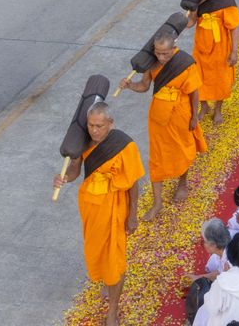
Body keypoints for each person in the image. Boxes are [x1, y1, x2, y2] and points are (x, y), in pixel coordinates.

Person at [52, 103, 144, 326]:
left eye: (99, 126)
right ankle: (107, 280)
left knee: (115, 258)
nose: (94, 130)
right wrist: (64, 178)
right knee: (97, 250)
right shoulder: (84, 141)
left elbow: (133, 183)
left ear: (110, 124)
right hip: (91, 207)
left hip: (115, 208)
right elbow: (75, 169)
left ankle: (113, 310)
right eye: (91, 125)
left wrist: (132, 215)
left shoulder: (124, 145)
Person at [119, 32, 206, 220]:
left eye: (165, 53)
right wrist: (129, 85)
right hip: (158, 118)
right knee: (157, 157)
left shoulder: (184, 62)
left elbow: (194, 92)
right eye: (158, 53)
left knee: (181, 150)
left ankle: (182, 183)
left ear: (173, 48)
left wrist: (194, 116)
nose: (162, 57)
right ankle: (157, 202)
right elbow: (144, 86)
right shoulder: (151, 63)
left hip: (181, 115)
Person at [186, 0, 239, 126]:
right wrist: (191, 12)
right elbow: (190, 23)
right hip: (201, 47)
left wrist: (234, 51)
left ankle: (218, 109)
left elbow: (234, 27)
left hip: (220, 48)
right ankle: (204, 106)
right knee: (199, 78)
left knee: (221, 80)